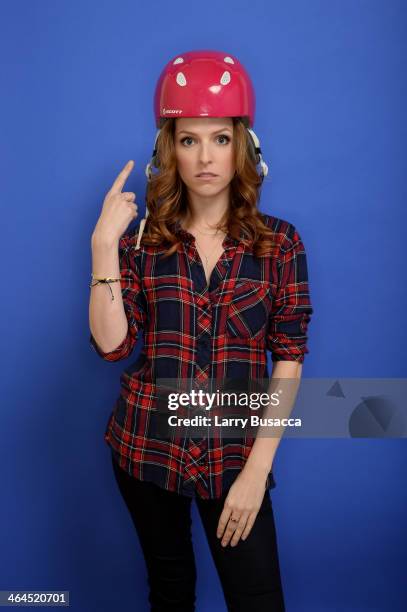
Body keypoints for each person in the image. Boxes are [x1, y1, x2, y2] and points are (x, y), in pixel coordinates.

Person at [89, 50, 313, 612]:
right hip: (146, 449)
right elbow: (114, 346)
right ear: (170, 150)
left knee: (258, 600)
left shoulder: (280, 244)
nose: (205, 156)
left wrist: (257, 472)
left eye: (220, 138)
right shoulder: (142, 242)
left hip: (235, 455)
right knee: (170, 592)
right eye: (189, 140)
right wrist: (102, 249)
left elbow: (288, 357)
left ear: (244, 147)